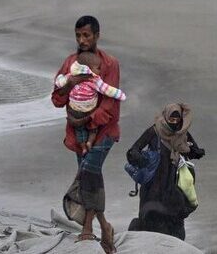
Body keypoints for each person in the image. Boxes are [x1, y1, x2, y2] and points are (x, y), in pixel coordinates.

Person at [52, 15, 121, 254]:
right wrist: (70, 83)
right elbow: (57, 100)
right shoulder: (70, 64)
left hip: (104, 131)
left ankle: (89, 226)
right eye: (78, 35)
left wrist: (87, 121)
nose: (82, 40)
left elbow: (109, 105)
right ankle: (105, 226)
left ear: (97, 36)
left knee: (89, 172)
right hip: (77, 133)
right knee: (88, 175)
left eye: (87, 35)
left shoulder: (109, 63)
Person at [126, 103, 205, 241]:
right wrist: (144, 161)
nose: (174, 123)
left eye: (177, 120)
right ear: (166, 117)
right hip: (153, 186)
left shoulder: (183, 134)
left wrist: (190, 149)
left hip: (173, 186)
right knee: (151, 221)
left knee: (175, 224)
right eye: (171, 120)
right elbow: (133, 151)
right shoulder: (154, 131)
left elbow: (195, 153)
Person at [55, 50, 127, 155]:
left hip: (74, 110)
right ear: (89, 69)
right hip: (89, 110)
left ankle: (83, 146)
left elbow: (59, 83)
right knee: (93, 128)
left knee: (79, 129)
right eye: (98, 68)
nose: (99, 70)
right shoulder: (93, 80)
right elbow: (107, 90)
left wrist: (60, 77)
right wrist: (120, 95)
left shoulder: (71, 77)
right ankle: (90, 142)